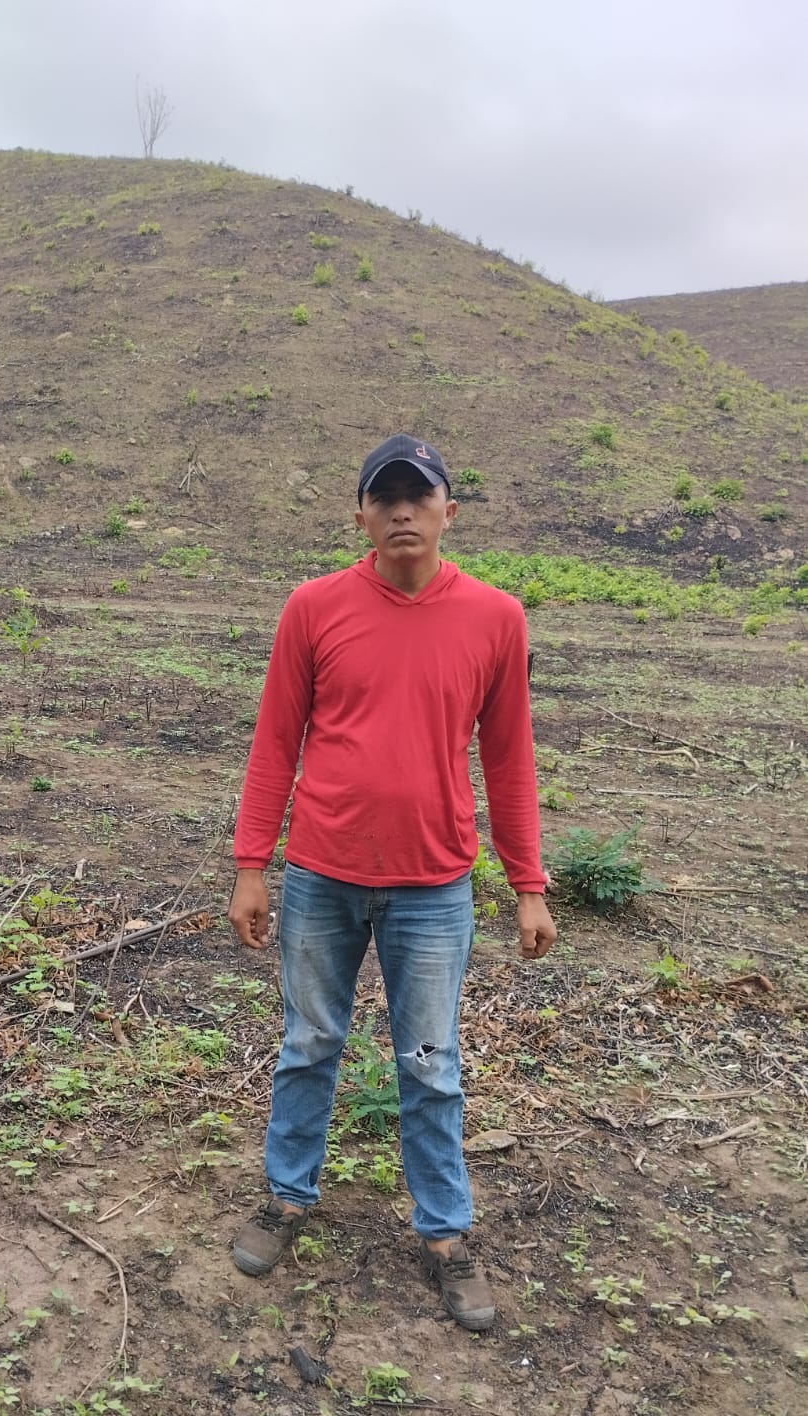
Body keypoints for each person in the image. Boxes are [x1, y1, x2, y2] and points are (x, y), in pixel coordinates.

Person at [227, 433, 557, 1331]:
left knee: (432, 1063)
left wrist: (527, 883)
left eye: (421, 495)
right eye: (386, 496)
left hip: (434, 887)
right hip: (321, 876)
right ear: (361, 516)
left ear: (450, 511)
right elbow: (275, 741)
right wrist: (252, 865)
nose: (403, 510)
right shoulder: (313, 608)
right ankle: (287, 1197)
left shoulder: (495, 618)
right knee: (309, 1043)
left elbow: (509, 758)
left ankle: (444, 1233)